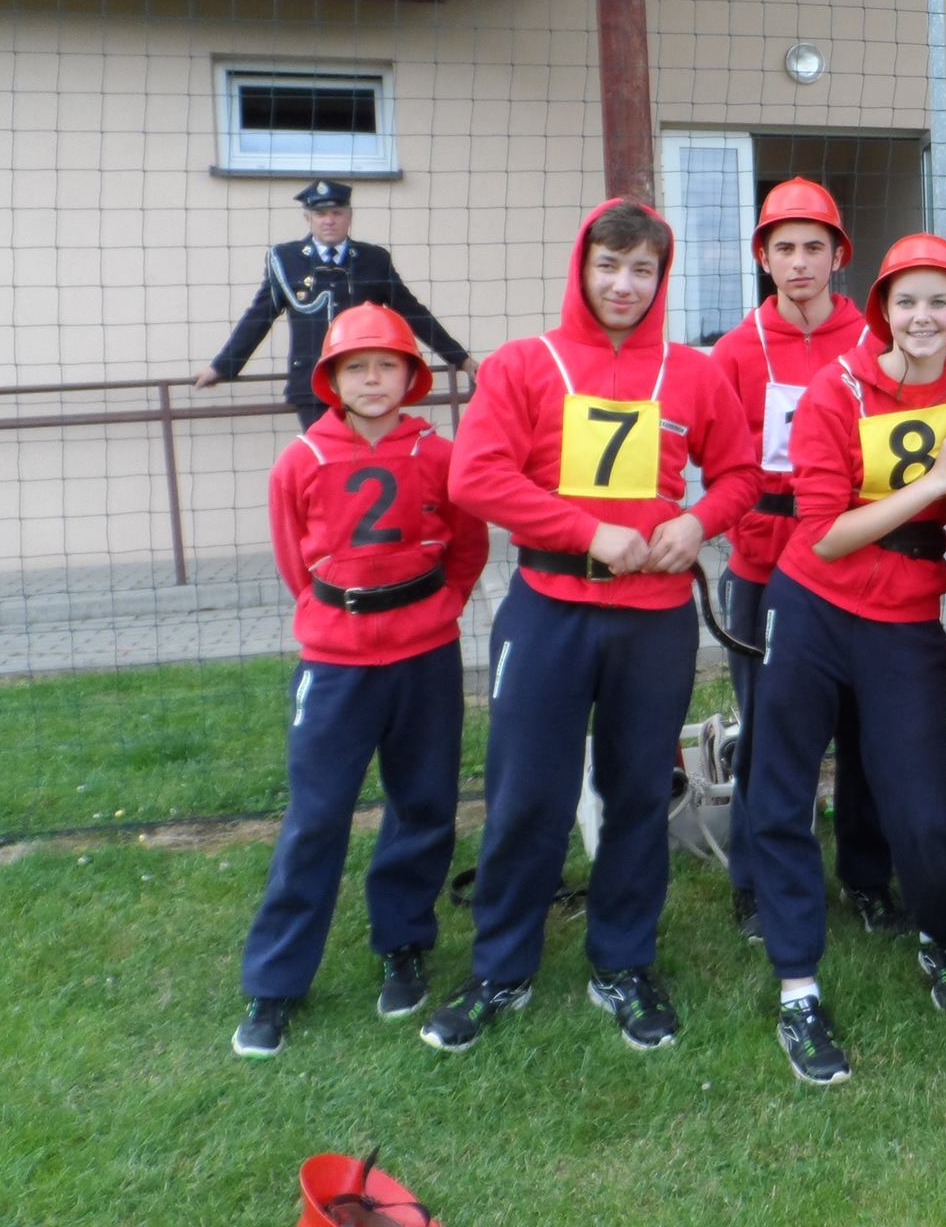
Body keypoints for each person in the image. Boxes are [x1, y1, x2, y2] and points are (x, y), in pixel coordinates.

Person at [425, 198, 756, 1052]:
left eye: (643, 269)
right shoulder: (521, 365)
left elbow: (742, 474)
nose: (624, 284)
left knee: (639, 792)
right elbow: (476, 477)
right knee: (525, 794)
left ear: (662, 278)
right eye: (609, 265)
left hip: (654, 619)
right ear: (582, 266)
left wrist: (699, 521)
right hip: (549, 611)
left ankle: (623, 963)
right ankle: (501, 968)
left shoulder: (693, 372)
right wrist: (586, 531)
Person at [750, 234, 946, 1085]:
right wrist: (932, 486)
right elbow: (823, 534)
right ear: (883, 308)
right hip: (812, 606)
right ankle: (797, 986)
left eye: (939, 301)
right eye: (906, 300)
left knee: (923, 807)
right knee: (782, 791)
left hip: (906, 620)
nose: (922, 317)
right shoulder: (836, 388)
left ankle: (938, 933)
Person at [231, 305, 489, 1058]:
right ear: (331, 379)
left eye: (387, 366)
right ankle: (275, 982)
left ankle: (403, 943)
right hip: (337, 663)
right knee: (316, 817)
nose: (372, 380)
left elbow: (468, 544)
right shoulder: (301, 460)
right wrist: (337, 618)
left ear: (411, 376)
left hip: (425, 657)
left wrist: (440, 606)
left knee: (424, 804)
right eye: (356, 367)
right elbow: (295, 562)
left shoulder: (440, 454)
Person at [708, 179, 897, 945]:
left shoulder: (874, 342)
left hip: (857, 565)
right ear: (763, 257)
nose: (799, 263)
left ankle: (866, 876)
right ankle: (756, 881)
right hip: (765, 570)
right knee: (769, 732)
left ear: (838, 255)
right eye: (783, 248)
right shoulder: (734, 350)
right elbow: (722, 463)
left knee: (866, 729)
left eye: (814, 247)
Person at [197, 179, 475, 430]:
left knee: (369, 457)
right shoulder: (286, 259)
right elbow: (259, 317)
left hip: (365, 384)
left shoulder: (373, 259)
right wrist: (222, 367)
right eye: (320, 214)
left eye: (336, 213)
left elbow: (412, 312)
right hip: (312, 384)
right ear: (308, 218)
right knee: (326, 459)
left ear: (349, 217)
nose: (329, 221)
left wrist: (459, 359)